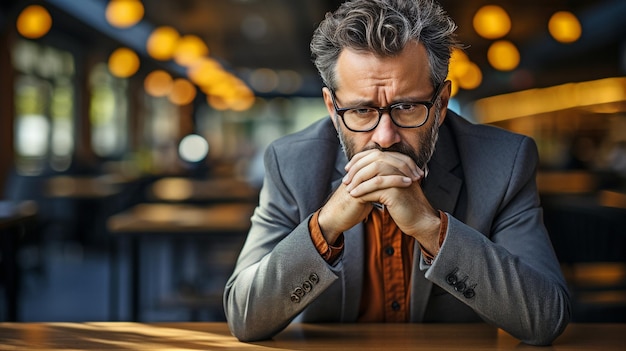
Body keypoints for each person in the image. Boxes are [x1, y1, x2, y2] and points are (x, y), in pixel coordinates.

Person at [223, 0, 571, 345]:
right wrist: (327, 224)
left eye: (406, 106)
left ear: (442, 102)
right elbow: (245, 317)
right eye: (361, 110)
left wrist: (430, 228)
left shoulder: (504, 161)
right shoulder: (291, 163)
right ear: (332, 107)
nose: (385, 136)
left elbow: (545, 319)